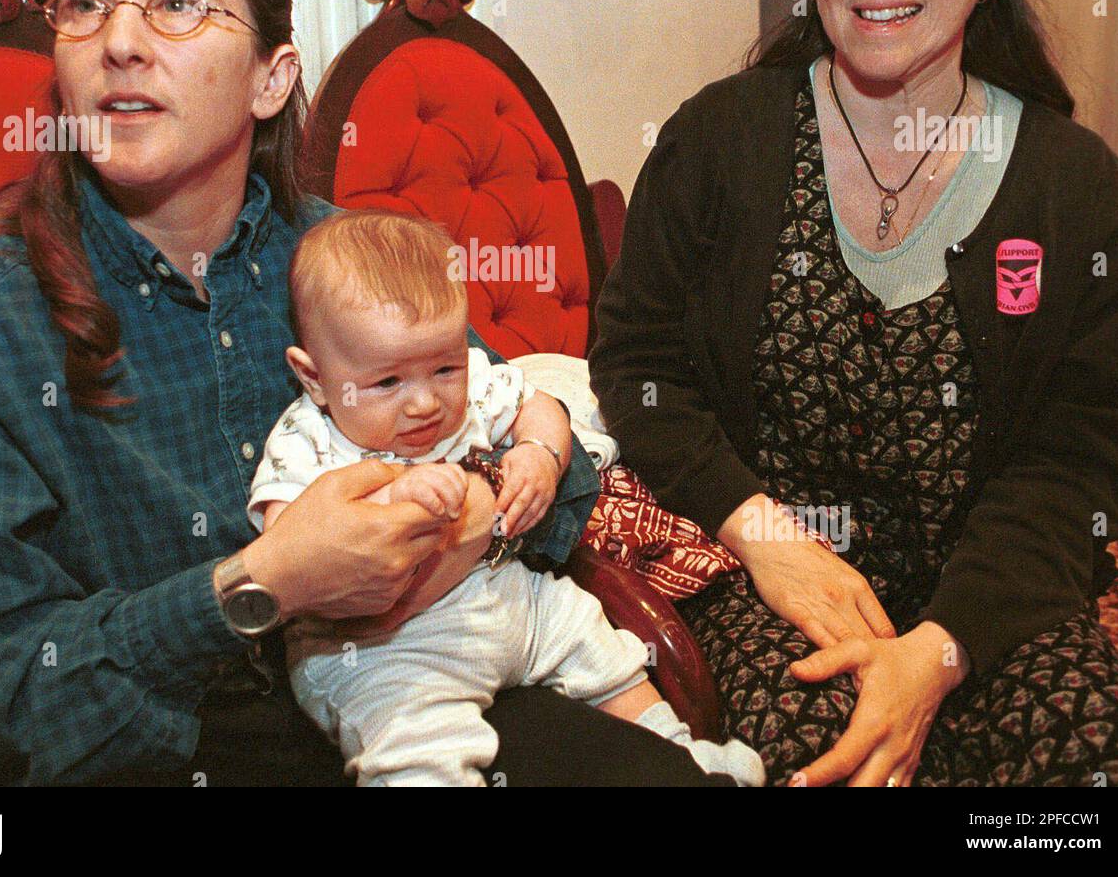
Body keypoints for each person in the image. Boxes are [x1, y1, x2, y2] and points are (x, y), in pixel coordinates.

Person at [0, 0, 718, 786]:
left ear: (272, 78)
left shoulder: (340, 258)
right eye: (85, 4)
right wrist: (254, 589)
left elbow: (535, 442)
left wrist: (486, 496)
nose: (119, 40)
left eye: (177, 3)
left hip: (430, 680)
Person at [589, 0, 1118, 786]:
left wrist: (937, 648)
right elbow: (637, 365)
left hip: (993, 598)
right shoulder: (721, 142)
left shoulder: (1075, 189)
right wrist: (761, 533)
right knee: (838, 768)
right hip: (771, 591)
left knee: (1098, 757)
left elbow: (1080, 460)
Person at [247, 209, 763, 785]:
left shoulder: (469, 383)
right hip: (383, 652)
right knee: (419, 745)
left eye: (444, 367)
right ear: (315, 378)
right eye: (388, 382)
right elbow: (287, 547)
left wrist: (540, 451)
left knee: (595, 640)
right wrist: (394, 500)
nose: (424, 403)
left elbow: (536, 403)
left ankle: (687, 755)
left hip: (506, 599)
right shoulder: (306, 440)